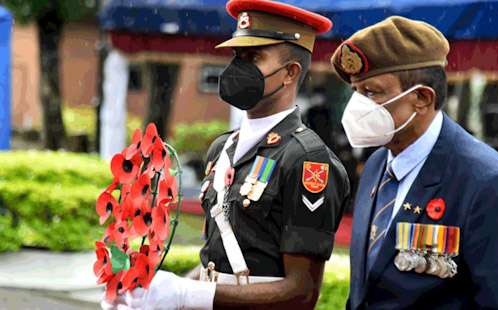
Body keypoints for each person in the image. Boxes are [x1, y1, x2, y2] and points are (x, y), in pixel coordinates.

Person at [101, 0, 350, 309]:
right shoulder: (223, 148)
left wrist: (187, 295)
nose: (238, 67)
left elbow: (301, 294)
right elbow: (217, 264)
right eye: (237, 55)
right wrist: (154, 294)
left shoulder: (307, 160)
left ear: (289, 72)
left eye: (254, 56)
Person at [331, 16, 498, 309]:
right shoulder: (378, 165)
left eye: (371, 92)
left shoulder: (484, 180)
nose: (357, 107)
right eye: (355, 91)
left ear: (422, 98)